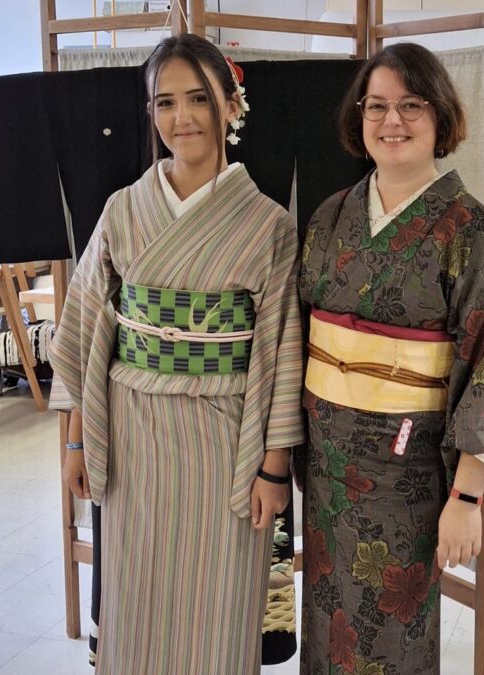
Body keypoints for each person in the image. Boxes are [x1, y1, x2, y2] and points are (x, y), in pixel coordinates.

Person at [50, 33, 303, 674]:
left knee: (218, 596)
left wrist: (275, 468)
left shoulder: (267, 221)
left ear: (230, 106)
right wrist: (78, 441)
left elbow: (280, 349)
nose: (181, 117)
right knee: (139, 595)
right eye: (164, 103)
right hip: (133, 430)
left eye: (198, 98)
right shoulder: (123, 209)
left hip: (225, 435)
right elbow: (85, 328)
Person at [296, 42, 484, 674]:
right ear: (358, 118)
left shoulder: (471, 232)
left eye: (410, 105)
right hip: (326, 471)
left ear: (441, 118)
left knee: (391, 633)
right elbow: (297, 339)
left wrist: (468, 496)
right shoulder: (331, 216)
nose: (391, 121)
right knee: (326, 624)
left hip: (410, 479)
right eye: (376, 107)